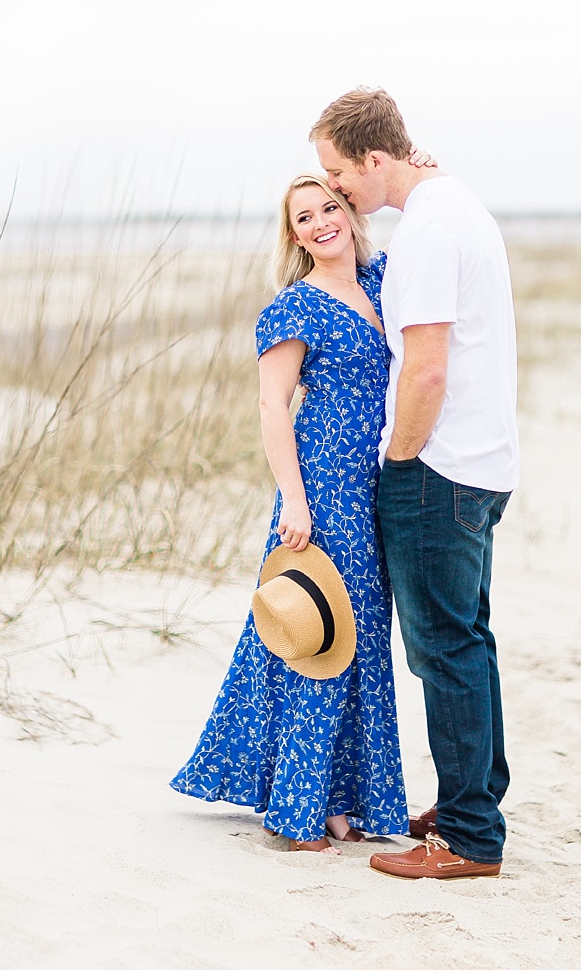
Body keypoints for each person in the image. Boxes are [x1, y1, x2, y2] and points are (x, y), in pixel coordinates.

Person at [309, 86, 517, 881]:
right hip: (483, 461)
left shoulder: (429, 231)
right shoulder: (453, 203)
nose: (334, 190)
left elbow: (426, 368)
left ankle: (467, 837)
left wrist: (400, 458)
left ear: (376, 158)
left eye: (339, 171)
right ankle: (475, 802)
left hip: (439, 469)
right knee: (469, 641)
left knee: (444, 652)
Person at [171, 174, 409, 851]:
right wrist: (296, 502)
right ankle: (300, 809)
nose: (320, 222)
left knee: (362, 636)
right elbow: (272, 406)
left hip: (378, 485)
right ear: (294, 235)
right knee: (319, 637)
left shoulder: (386, 279)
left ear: (350, 211)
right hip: (325, 487)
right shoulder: (293, 307)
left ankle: (343, 801)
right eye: (304, 217)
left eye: (329, 207)